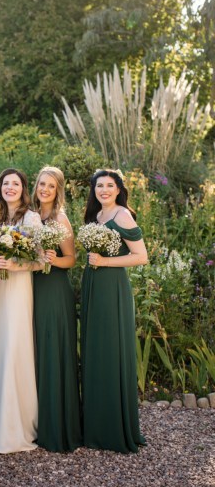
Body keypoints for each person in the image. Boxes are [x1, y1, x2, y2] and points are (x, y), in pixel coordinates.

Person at [81, 169, 148, 453]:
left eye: (110, 185)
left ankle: (114, 429)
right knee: (95, 350)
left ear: (119, 189)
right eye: (100, 185)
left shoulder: (122, 215)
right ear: (94, 189)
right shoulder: (96, 217)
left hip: (112, 289)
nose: (104, 190)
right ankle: (95, 426)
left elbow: (141, 256)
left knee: (110, 350)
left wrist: (104, 262)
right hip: (94, 286)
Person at [0, 168, 42, 453]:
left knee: (14, 349)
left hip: (19, 291)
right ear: (0, 188)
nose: (11, 187)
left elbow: (41, 259)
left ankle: (16, 426)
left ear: (24, 189)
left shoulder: (31, 218)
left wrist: (16, 265)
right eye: (6, 183)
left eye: (16, 183)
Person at [32, 166, 82, 452]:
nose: (45, 189)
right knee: (36, 350)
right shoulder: (29, 216)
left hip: (53, 289)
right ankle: (36, 421)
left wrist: (53, 257)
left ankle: (58, 426)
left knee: (52, 350)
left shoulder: (59, 219)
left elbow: (72, 259)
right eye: (42, 184)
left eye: (51, 186)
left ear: (58, 190)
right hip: (32, 287)